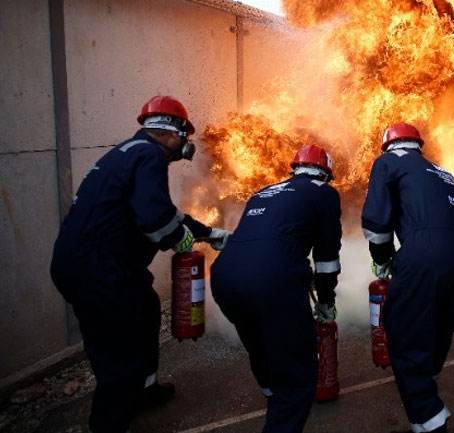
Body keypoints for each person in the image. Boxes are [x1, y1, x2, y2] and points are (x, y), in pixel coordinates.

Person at [50, 95, 232, 433]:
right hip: (99, 270)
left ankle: (145, 390)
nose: (184, 147)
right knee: (119, 355)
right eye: (184, 137)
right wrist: (180, 241)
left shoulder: (129, 153)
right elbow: (155, 220)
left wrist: (209, 233)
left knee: (146, 308)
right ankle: (109, 423)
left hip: (94, 264)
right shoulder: (150, 156)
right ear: (171, 132)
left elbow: (165, 213)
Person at [210, 144, 341, 433]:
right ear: (326, 174)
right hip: (273, 282)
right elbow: (327, 258)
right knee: (297, 377)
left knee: (261, 347)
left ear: (295, 169)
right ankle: (282, 416)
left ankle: (273, 395)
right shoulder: (324, 193)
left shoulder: (262, 192)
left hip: (224, 278)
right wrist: (326, 301)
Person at [361, 122, 454, 433]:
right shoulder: (442, 172)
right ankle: (429, 377)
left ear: (388, 146)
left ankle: (429, 419)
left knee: (405, 332)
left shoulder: (388, 162)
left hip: (424, 252)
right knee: (439, 323)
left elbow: (376, 221)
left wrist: (382, 260)